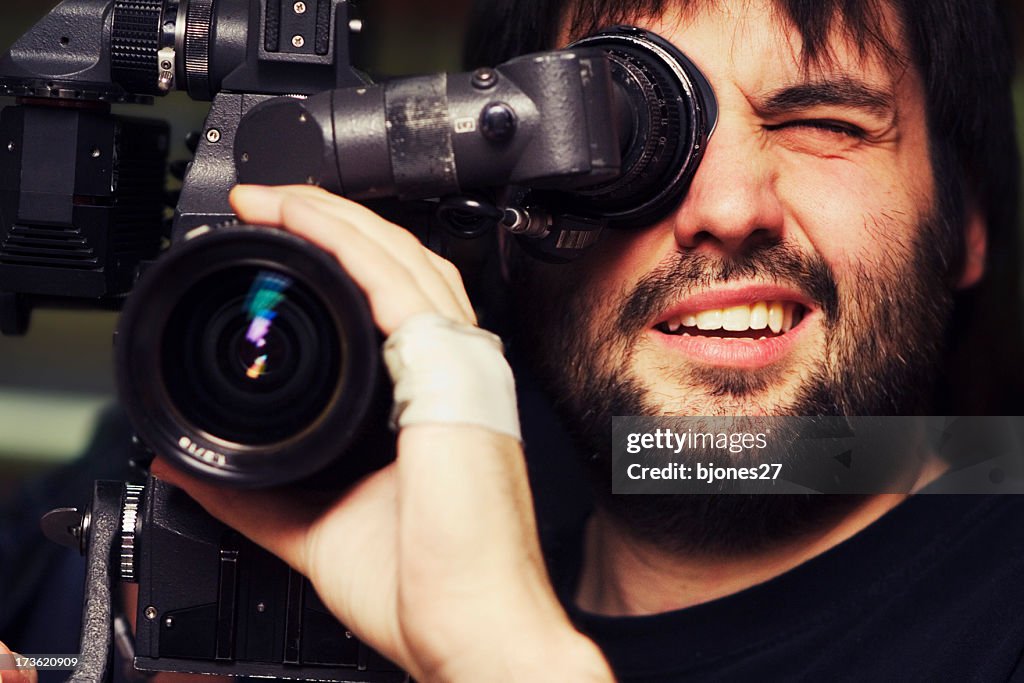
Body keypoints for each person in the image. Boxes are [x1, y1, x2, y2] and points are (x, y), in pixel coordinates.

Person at [5, 0, 1023, 680]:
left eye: (825, 124)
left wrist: (497, 650)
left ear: (966, 219)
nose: (725, 205)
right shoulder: (328, 553)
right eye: (629, 139)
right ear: (501, 211)